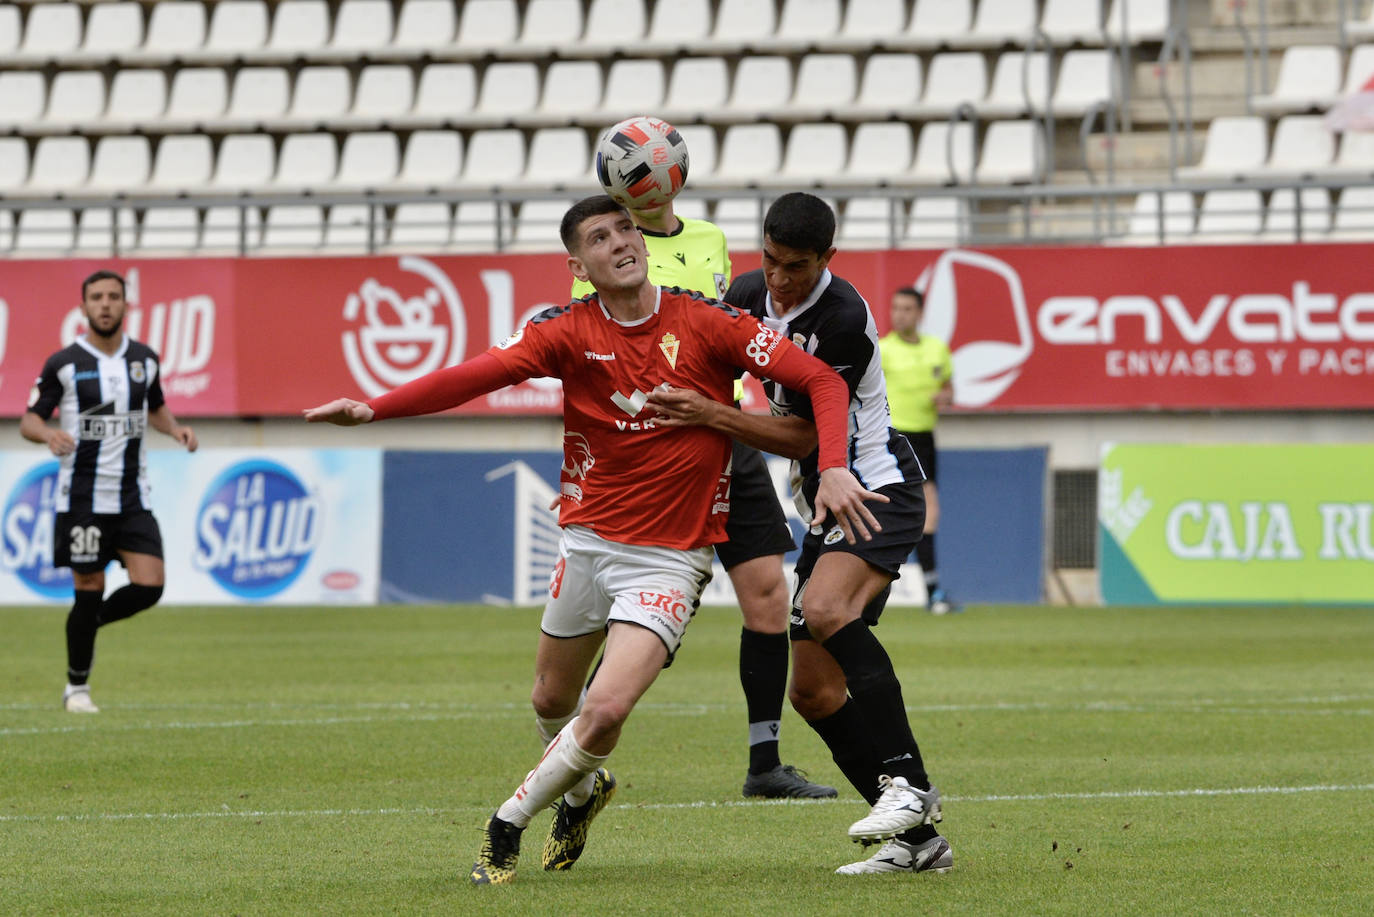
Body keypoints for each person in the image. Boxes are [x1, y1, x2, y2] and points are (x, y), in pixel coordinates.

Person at [304, 195, 883, 886]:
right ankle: (582, 793)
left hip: (671, 558)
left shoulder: (710, 320)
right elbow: (475, 375)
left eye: (627, 230)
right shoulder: (565, 332)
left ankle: (506, 824)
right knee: (551, 699)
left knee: (605, 709)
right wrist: (376, 408)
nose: (621, 242)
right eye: (601, 237)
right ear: (579, 264)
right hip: (589, 543)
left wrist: (836, 463)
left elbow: (819, 378)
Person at [647, 192, 953, 876]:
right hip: (822, 496)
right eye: (772, 260)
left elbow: (810, 433)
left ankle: (909, 785)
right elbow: (704, 360)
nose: (781, 278)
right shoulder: (748, 293)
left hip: (874, 484)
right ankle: (919, 845)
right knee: (812, 691)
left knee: (825, 608)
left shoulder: (843, 318)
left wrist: (710, 414)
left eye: (799, 265)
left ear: (828, 260)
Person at [573, 123, 835, 801]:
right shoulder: (607, 246)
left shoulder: (712, 240)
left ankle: (764, 762)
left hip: (726, 438)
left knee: (768, 595)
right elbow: (590, 343)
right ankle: (579, 754)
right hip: (649, 458)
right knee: (634, 614)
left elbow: (727, 327)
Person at [20, 269, 199, 714]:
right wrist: (48, 436)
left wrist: (175, 430)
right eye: (96, 297)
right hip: (81, 498)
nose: (105, 304)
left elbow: (154, 407)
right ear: (83, 307)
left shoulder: (145, 359)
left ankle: (89, 625)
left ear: (125, 304)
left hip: (132, 495)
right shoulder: (64, 363)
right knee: (89, 586)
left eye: (113, 296)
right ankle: (76, 688)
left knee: (150, 584)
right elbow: (30, 419)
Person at [880, 287, 957, 615]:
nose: (900, 314)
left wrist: (945, 397)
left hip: (924, 438)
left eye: (908, 309)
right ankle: (876, 588)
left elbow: (948, 388)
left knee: (928, 514)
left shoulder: (937, 350)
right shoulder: (881, 350)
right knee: (887, 512)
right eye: (896, 308)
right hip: (892, 438)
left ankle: (933, 590)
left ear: (920, 313)